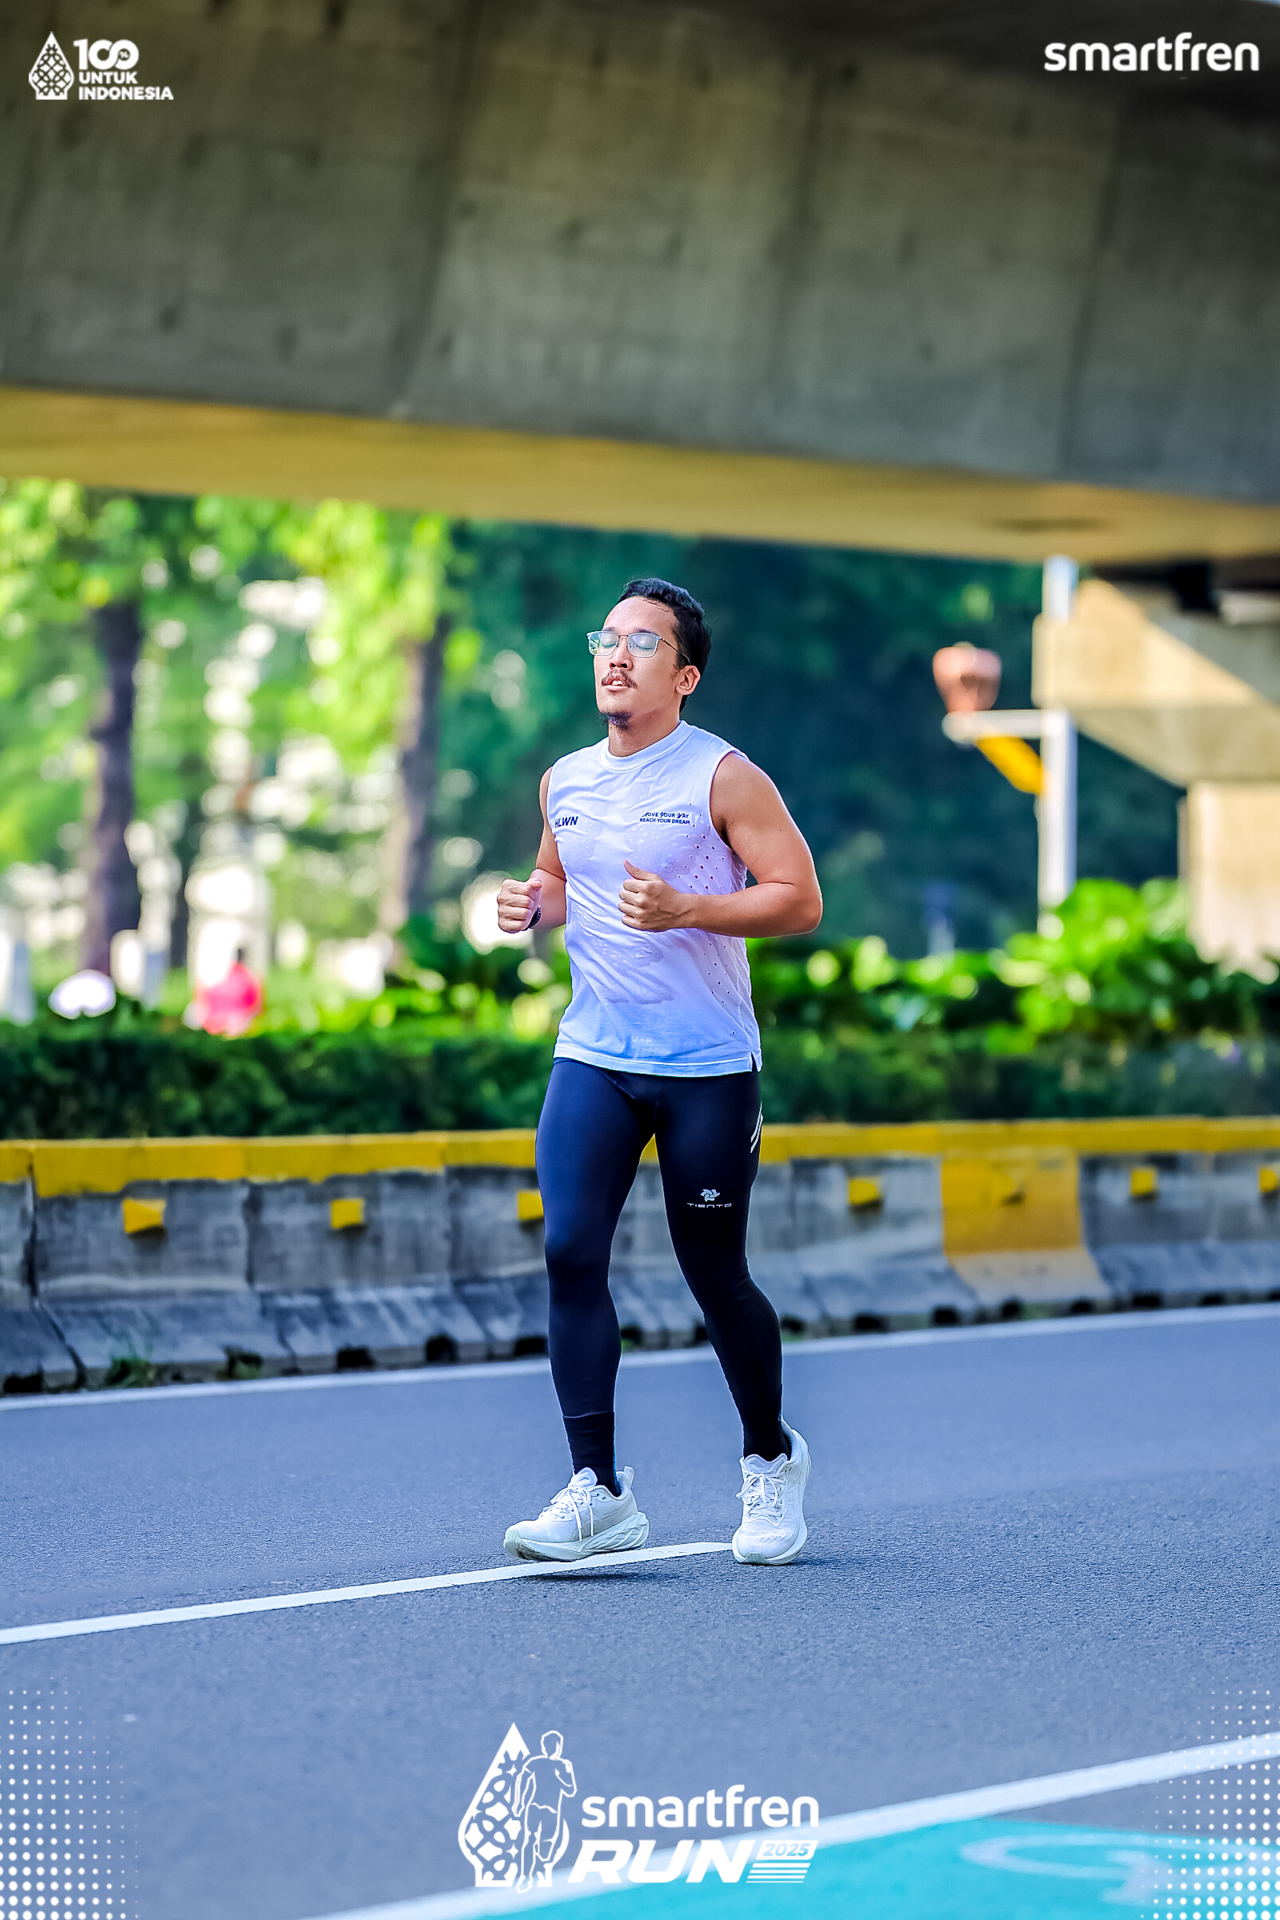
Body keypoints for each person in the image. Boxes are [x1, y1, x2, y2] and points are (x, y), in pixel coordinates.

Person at [496, 578, 823, 1568]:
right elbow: (561, 878)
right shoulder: (565, 781)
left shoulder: (723, 776)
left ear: (683, 676)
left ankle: (769, 1458)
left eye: (643, 643)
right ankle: (597, 1491)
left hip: (706, 1067)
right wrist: (532, 903)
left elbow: (797, 899)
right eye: (608, 639)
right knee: (569, 1254)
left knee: (713, 1273)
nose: (616, 655)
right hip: (594, 1055)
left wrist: (691, 909)